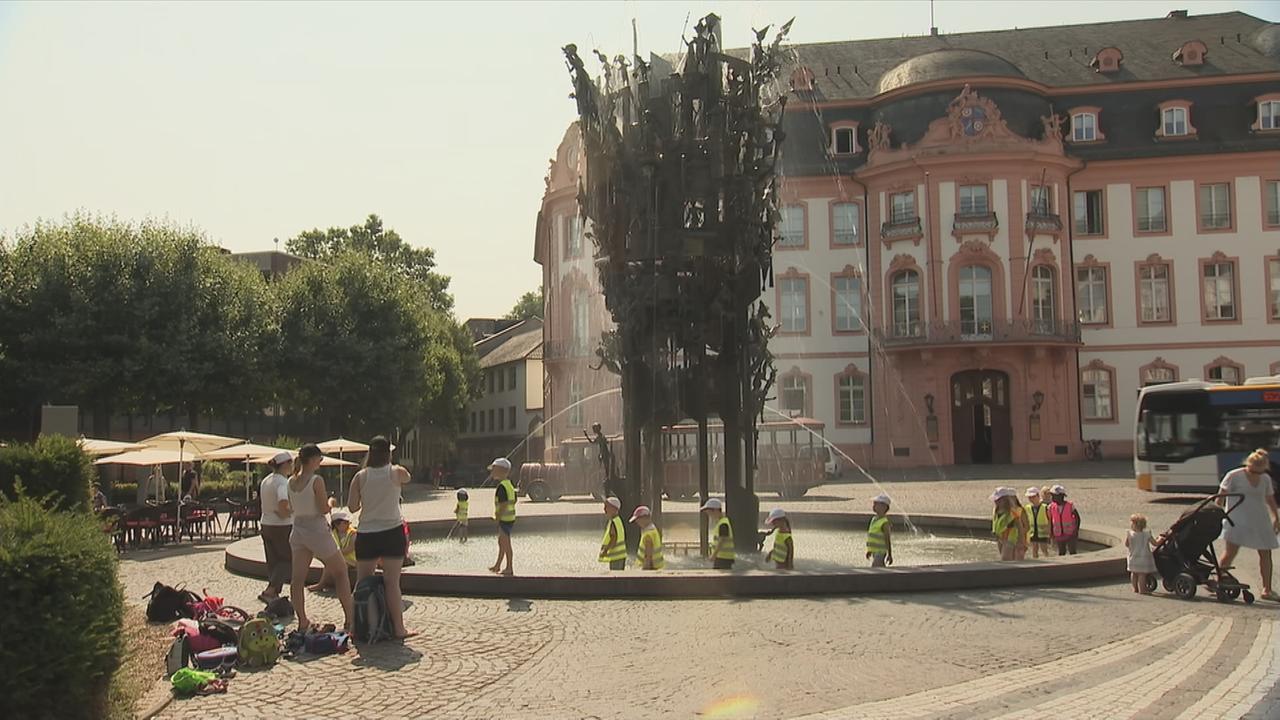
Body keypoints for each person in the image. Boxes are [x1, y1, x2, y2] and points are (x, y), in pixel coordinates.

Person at [348, 435, 416, 639]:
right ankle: (398, 629)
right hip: (392, 532)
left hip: (367, 533)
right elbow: (408, 478)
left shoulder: (360, 476)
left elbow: (352, 507)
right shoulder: (396, 472)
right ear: (389, 453)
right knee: (392, 582)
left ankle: (355, 628)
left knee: (361, 582)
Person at [288, 444, 353, 632]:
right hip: (316, 528)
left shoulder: (290, 482)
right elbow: (324, 508)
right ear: (313, 459)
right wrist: (332, 502)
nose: (321, 462)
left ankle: (302, 621)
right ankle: (349, 618)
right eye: (320, 459)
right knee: (341, 571)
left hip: (298, 529)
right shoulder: (316, 480)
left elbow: (292, 507)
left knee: (297, 579)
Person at [1217, 449, 1279, 602]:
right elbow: (1220, 497)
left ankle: (1267, 589)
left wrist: (1277, 517)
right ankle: (1218, 579)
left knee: (1265, 553)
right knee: (1230, 552)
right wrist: (1216, 514)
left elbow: (1270, 499)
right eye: (1254, 470)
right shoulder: (1234, 476)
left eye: (1260, 470)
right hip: (1236, 520)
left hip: (1260, 520)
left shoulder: (1265, 478)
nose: (1256, 474)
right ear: (1249, 464)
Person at [258, 452, 294, 603]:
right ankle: (271, 590)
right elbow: (283, 506)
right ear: (285, 464)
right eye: (291, 463)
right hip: (281, 525)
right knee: (287, 559)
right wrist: (293, 511)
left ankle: (273, 591)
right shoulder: (282, 482)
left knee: (273, 559)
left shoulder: (266, 480)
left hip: (266, 522)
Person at [308, 510, 357, 593]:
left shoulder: (352, 533)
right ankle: (326, 584)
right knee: (329, 562)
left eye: (347, 522)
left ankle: (322, 584)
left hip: (352, 560)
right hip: (341, 557)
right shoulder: (333, 534)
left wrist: (336, 554)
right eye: (344, 522)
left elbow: (351, 548)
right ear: (337, 524)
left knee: (333, 563)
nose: (348, 524)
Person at [488, 457, 517, 576]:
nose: (492, 473)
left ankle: (509, 567)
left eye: (494, 470)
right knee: (502, 542)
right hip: (510, 519)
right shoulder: (509, 484)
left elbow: (504, 504)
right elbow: (514, 499)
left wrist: (498, 516)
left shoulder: (501, 487)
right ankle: (498, 565)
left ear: (501, 471)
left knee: (505, 543)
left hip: (504, 519)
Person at [991, 487, 1027, 561]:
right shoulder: (996, 509)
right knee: (1008, 559)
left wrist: (1021, 541)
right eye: (995, 500)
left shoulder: (1013, 510)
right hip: (1000, 538)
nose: (996, 501)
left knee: (1005, 559)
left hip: (1010, 538)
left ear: (1005, 499)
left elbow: (1020, 526)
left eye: (998, 500)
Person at [1126, 513, 1156, 594]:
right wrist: (1161, 540)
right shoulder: (1146, 534)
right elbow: (1154, 543)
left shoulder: (1130, 534)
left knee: (1134, 573)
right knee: (1142, 574)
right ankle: (1142, 590)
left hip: (1133, 557)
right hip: (1143, 558)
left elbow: (1126, 544)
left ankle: (1135, 588)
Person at [701, 498, 735, 569]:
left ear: (716, 510)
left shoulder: (723, 524)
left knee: (720, 578)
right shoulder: (721, 522)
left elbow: (722, 540)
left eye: (709, 513)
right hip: (722, 557)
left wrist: (713, 555)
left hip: (723, 558)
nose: (709, 515)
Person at [1048, 484, 1081, 556]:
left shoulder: (1070, 505)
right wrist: (1051, 532)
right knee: (1061, 551)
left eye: (1054, 495)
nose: (1052, 497)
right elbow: (1050, 520)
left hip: (1070, 533)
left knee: (1072, 551)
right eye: (1052, 495)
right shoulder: (1051, 507)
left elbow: (1078, 518)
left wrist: (1076, 530)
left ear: (1061, 496)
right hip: (1058, 533)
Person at [630, 505, 664, 570]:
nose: (637, 522)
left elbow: (648, 556)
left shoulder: (648, 535)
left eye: (638, 519)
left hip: (652, 568)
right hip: (657, 567)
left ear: (645, 518)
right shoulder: (653, 529)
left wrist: (645, 571)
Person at [598, 496, 626, 570]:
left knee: (615, 579)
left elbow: (613, 538)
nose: (604, 509)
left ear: (614, 508)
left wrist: (605, 550)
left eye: (606, 507)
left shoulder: (614, 522)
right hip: (621, 556)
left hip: (616, 557)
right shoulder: (618, 520)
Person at [1024, 487, 1051, 559]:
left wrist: (1050, 531)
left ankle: (1048, 561)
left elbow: (1050, 520)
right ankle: (1035, 562)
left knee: (1044, 549)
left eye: (1033, 497)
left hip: (1043, 533)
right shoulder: (1027, 507)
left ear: (1038, 496)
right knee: (1034, 549)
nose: (1031, 499)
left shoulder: (1045, 507)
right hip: (1033, 532)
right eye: (1029, 497)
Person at [866, 494, 893, 567]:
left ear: (884, 507)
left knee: (875, 568)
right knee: (879, 568)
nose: (874, 506)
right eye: (873, 504)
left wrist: (889, 554)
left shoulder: (885, 523)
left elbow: (887, 539)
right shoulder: (874, 519)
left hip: (880, 552)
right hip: (875, 551)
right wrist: (869, 550)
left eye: (876, 504)